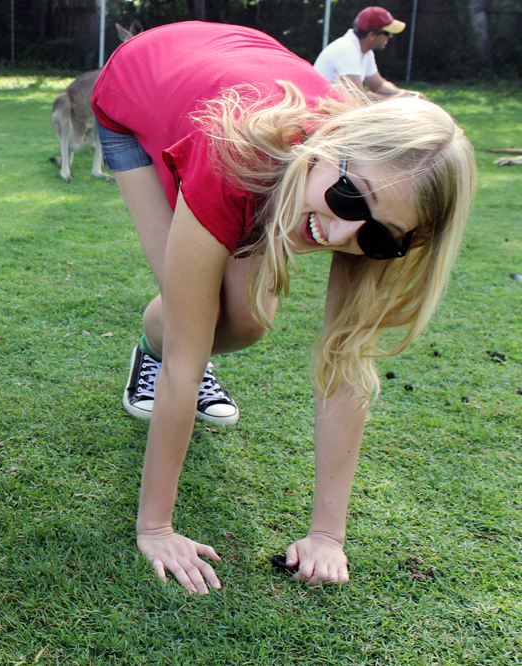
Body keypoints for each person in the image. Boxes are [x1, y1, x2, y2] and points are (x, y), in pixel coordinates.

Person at [91, 21, 475, 593]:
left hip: (234, 81)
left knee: (247, 321)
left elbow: (346, 365)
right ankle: (151, 352)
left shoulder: (366, 205)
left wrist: (329, 536)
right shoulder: (233, 159)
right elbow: (188, 361)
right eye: (350, 196)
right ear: (332, 144)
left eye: (378, 238)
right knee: (195, 318)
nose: (341, 233)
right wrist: (157, 527)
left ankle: (162, 336)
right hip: (138, 87)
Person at [314, 6, 410, 96]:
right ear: (371, 35)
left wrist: (403, 94)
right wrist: (398, 101)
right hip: (323, 111)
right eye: (387, 33)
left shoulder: (365, 51)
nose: (390, 36)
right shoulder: (347, 49)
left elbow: (378, 85)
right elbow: (358, 97)